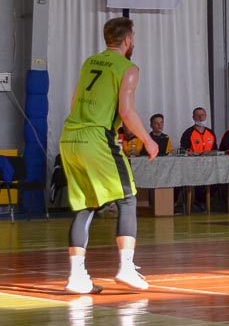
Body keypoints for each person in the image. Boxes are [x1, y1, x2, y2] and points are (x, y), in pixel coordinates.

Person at [59, 17, 159, 294]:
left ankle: (76, 277)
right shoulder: (128, 68)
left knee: (86, 204)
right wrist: (148, 140)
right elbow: (126, 112)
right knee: (127, 198)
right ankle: (126, 267)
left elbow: (73, 101)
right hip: (96, 136)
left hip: (69, 136)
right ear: (128, 40)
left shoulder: (90, 62)